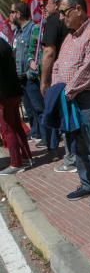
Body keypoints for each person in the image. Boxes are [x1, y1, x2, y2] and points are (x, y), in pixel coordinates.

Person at [52, 0, 90, 210]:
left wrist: (66, 92)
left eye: (64, 12)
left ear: (78, 10)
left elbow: (87, 72)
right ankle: (86, 184)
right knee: (78, 145)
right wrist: (57, 87)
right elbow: (58, 65)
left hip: (86, 98)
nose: (61, 17)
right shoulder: (70, 37)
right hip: (69, 98)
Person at [36, 0, 77, 172]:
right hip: (71, 75)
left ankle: (72, 158)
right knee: (71, 117)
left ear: (56, 1)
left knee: (66, 118)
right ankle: (74, 155)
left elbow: (49, 52)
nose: (42, 6)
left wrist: (44, 81)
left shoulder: (53, 21)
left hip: (61, 78)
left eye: (46, 2)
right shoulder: (62, 22)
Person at [11, 2, 45, 146]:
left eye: (12, 12)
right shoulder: (17, 31)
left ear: (18, 14)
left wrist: (32, 72)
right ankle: (35, 131)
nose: (10, 15)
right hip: (20, 77)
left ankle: (46, 135)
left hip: (30, 77)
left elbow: (38, 53)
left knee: (39, 108)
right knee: (29, 108)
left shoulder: (34, 29)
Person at [0, 37, 33, 175]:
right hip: (13, 91)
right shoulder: (4, 43)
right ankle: (26, 157)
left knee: (8, 128)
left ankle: (15, 163)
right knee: (16, 126)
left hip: (4, 94)